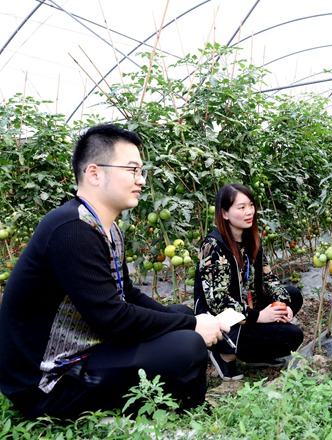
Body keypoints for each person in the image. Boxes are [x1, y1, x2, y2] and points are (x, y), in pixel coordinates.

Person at [0, 124, 229, 420]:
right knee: (186, 344)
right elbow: (112, 318)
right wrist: (191, 327)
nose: (141, 180)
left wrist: (189, 319)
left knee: (179, 313)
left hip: (85, 351)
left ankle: (178, 406)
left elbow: (128, 294)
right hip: (48, 382)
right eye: (132, 170)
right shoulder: (71, 230)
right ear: (94, 173)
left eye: (141, 171)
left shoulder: (106, 228)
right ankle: (177, 410)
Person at [194, 183, 304, 381]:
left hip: (248, 307)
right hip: (225, 321)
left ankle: (253, 355)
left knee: (293, 295)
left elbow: (268, 278)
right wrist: (259, 316)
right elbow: (217, 302)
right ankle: (223, 352)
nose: (249, 212)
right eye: (241, 207)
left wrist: (282, 305)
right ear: (225, 213)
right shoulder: (213, 246)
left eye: (251, 205)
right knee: (292, 336)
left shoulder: (251, 240)